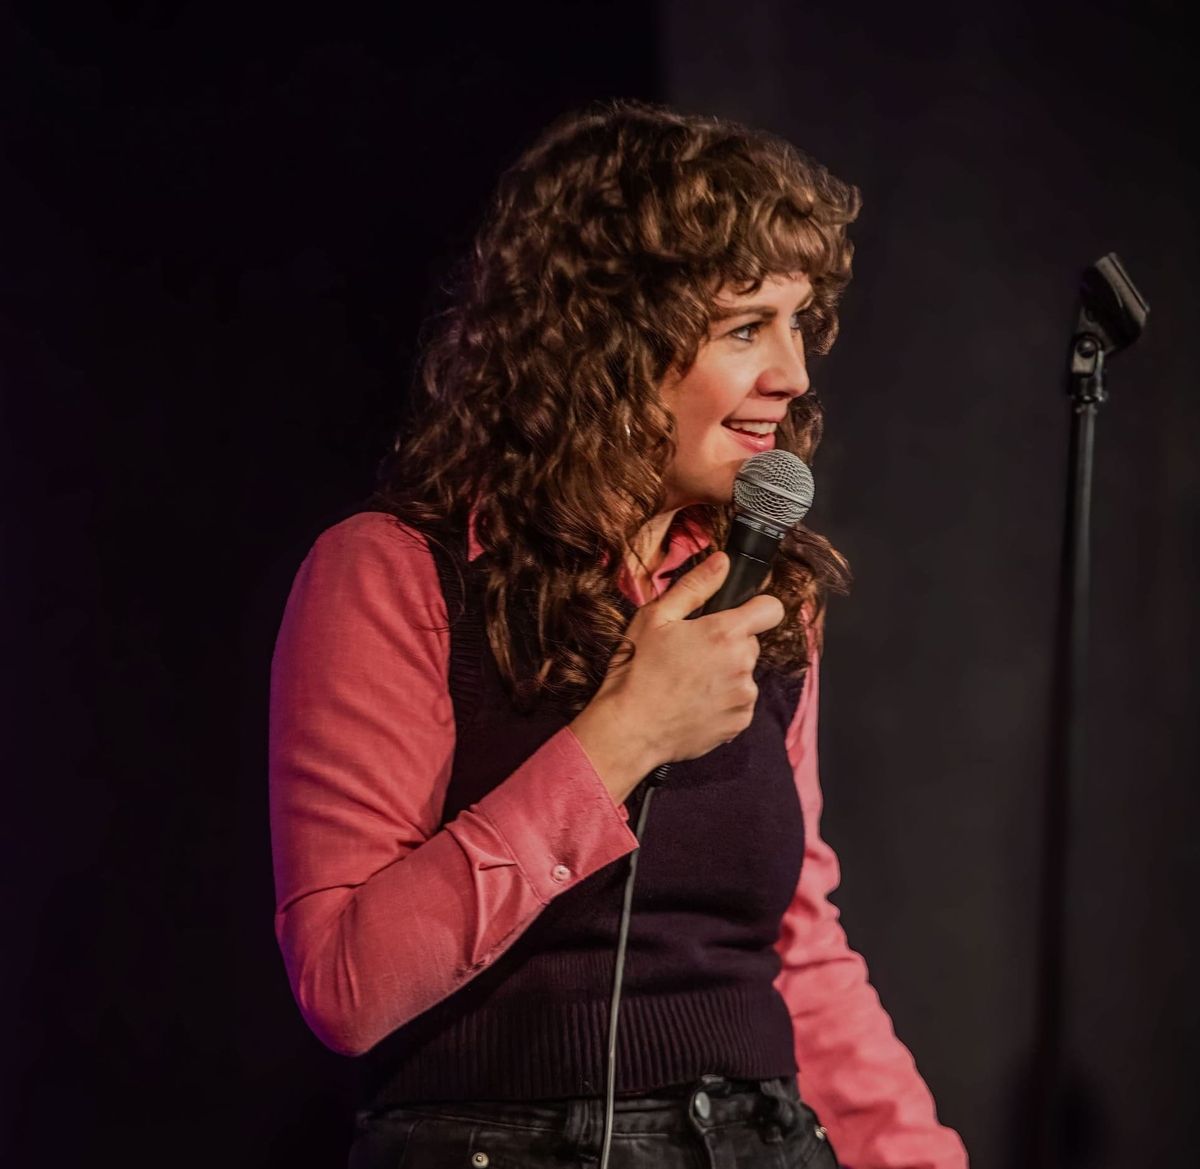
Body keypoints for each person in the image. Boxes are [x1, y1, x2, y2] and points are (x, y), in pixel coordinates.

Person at [268, 99, 969, 1168]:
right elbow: (347, 982)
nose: (794, 372)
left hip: (764, 1139)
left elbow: (800, 945)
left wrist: (919, 1155)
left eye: (797, 321)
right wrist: (625, 732)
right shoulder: (394, 574)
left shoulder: (764, 590)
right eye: (746, 326)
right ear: (610, 339)